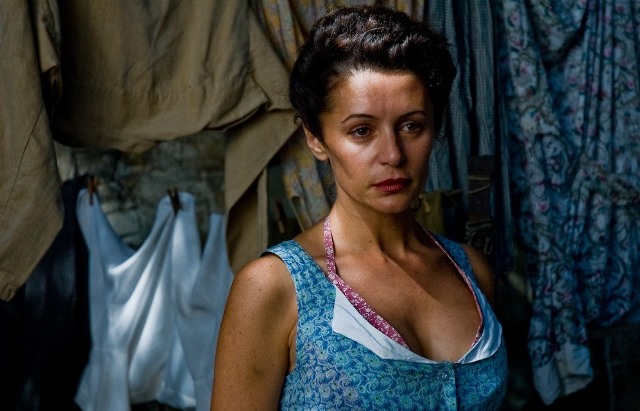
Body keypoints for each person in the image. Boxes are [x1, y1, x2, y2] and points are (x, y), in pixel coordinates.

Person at [211, 5, 508, 410]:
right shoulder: (275, 287)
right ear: (316, 139)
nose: (392, 154)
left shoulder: (472, 271)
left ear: (435, 128)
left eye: (412, 126)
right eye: (362, 131)